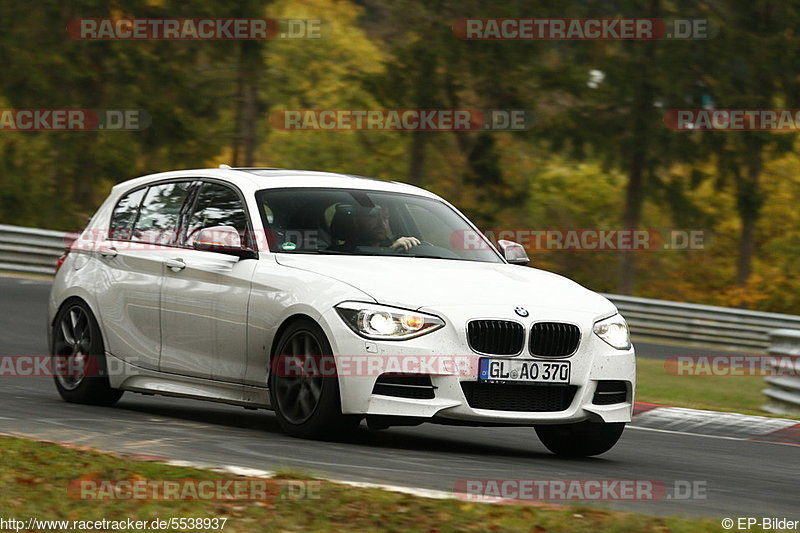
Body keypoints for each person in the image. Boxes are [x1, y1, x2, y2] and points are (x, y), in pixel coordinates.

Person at [330, 204, 420, 251]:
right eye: (373, 217)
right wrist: (391, 251)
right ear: (356, 221)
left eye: (385, 217)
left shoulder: (402, 246)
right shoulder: (337, 253)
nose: (381, 223)